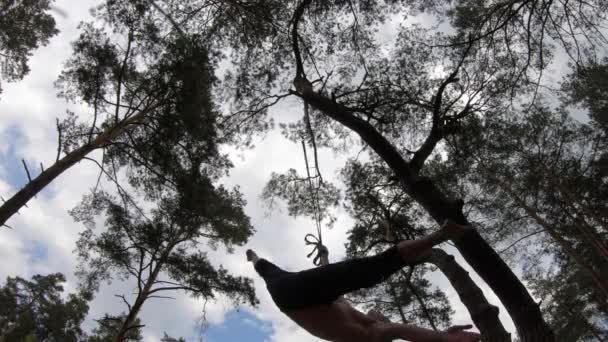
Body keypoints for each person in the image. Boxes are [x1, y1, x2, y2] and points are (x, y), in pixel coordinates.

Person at [246, 222, 482, 342]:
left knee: (268, 270)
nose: (380, 313)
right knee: (369, 270)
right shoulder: (349, 312)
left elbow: (398, 329)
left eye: (384, 317)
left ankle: (255, 260)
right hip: (298, 293)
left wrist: (442, 338)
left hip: (290, 298)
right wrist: (325, 254)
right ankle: (441, 234)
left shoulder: (367, 334)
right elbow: (331, 277)